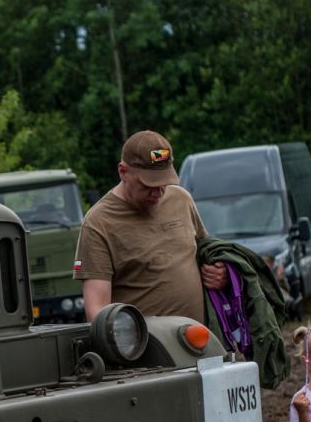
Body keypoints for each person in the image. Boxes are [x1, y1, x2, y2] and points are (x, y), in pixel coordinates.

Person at [73, 130, 226, 322]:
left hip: (201, 341)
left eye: (164, 182)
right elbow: (97, 310)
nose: (159, 192)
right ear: (123, 171)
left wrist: (221, 275)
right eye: (149, 184)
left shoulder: (181, 199)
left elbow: (208, 256)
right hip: (146, 348)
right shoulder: (99, 222)